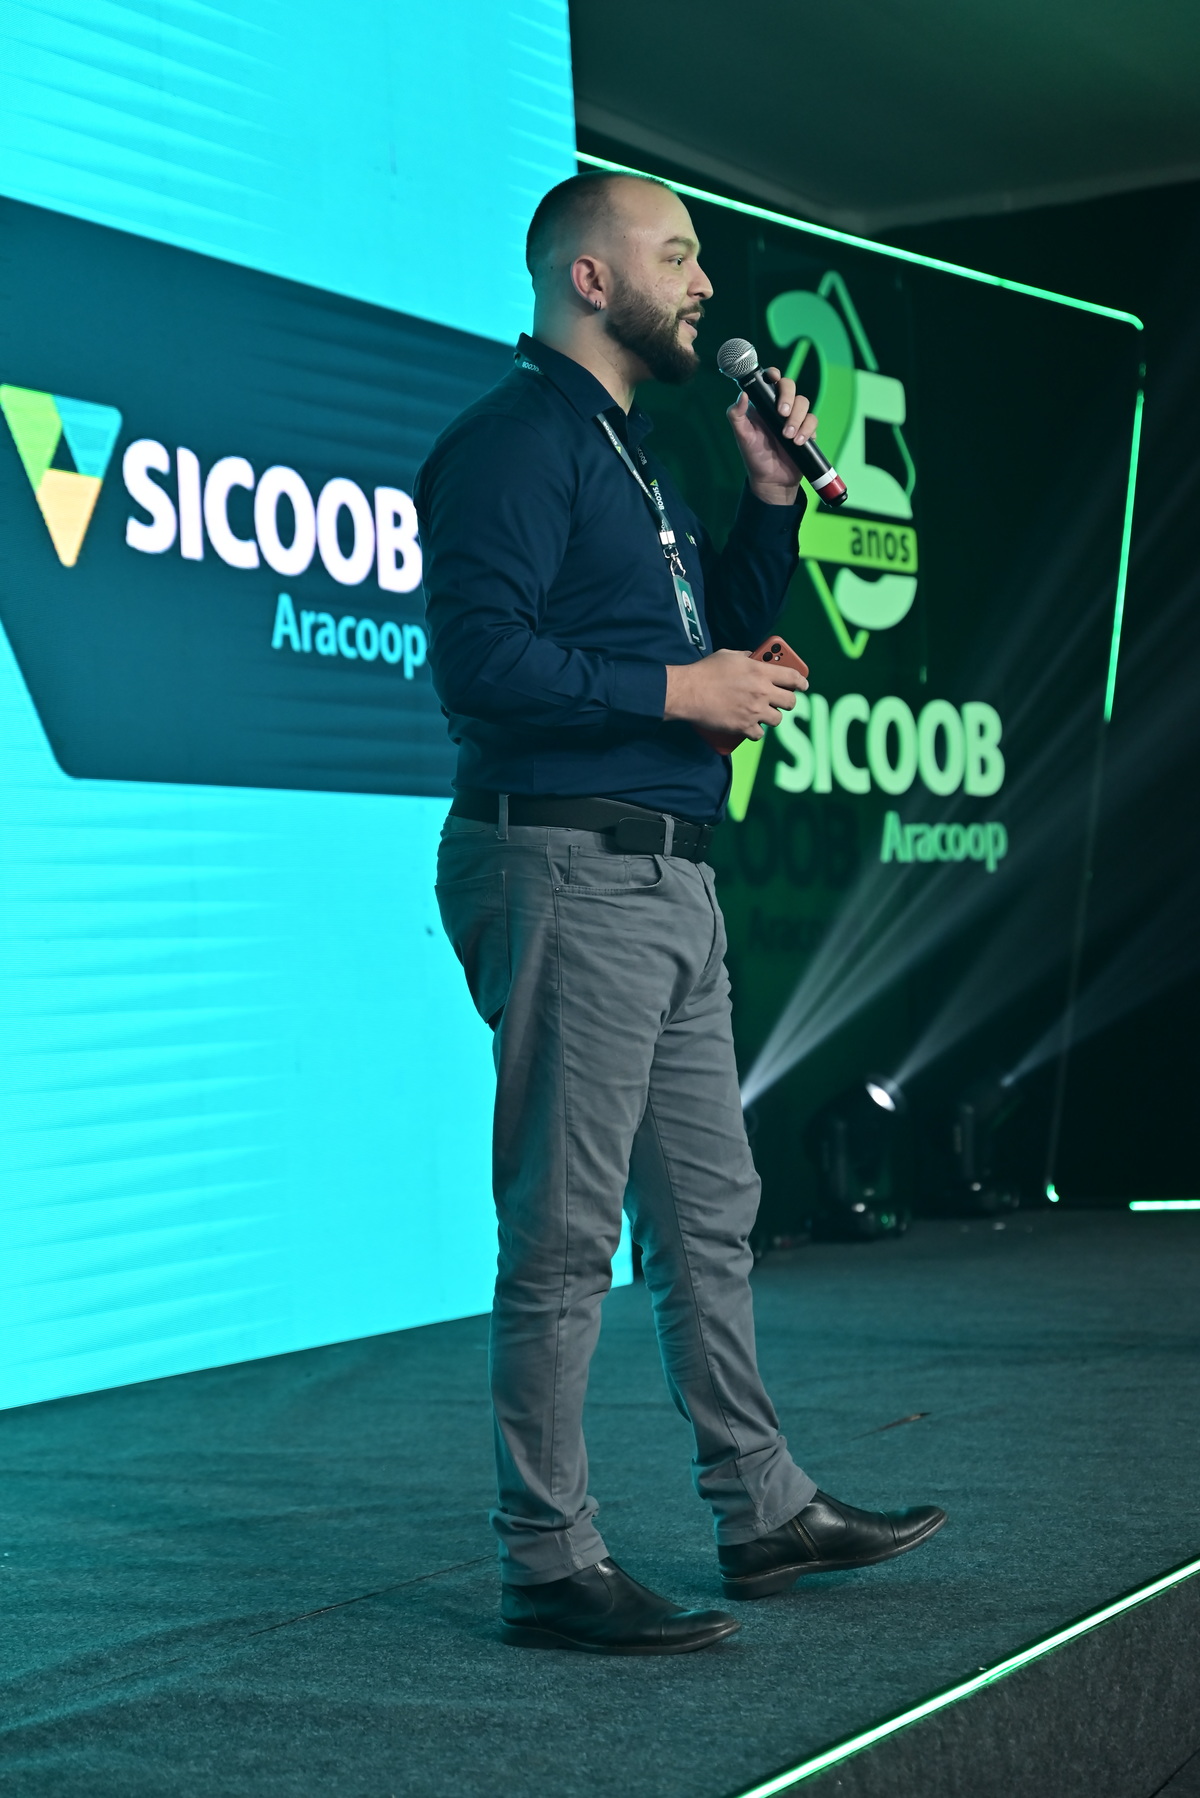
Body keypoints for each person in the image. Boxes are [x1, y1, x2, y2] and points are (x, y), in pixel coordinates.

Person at [414, 171, 945, 1656]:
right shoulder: (514, 441)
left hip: (667, 877)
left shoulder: (629, 449)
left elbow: (715, 635)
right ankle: (547, 1558)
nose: (705, 284)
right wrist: (678, 690)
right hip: (564, 864)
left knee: (711, 1215)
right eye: (679, 254)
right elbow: (478, 664)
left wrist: (769, 500)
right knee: (565, 1234)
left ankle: (762, 1506)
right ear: (589, 279)